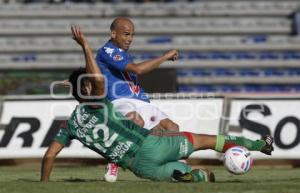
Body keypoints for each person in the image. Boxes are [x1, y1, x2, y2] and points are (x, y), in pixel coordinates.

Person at [41, 26, 274, 183]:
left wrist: (44, 185)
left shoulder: (69, 125)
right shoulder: (100, 93)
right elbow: (108, 79)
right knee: (205, 140)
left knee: (198, 169)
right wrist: (85, 47)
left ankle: (191, 174)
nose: (129, 37)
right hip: (148, 144)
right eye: (126, 33)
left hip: (139, 168)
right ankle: (256, 144)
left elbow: (50, 155)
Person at [96, 17, 180, 181]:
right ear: (113, 34)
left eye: (132, 35)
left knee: (172, 128)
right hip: (120, 100)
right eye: (126, 34)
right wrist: (164, 57)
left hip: (141, 100)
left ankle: (166, 165)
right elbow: (138, 70)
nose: (130, 39)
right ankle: (114, 160)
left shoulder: (121, 53)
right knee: (137, 121)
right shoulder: (108, 51)